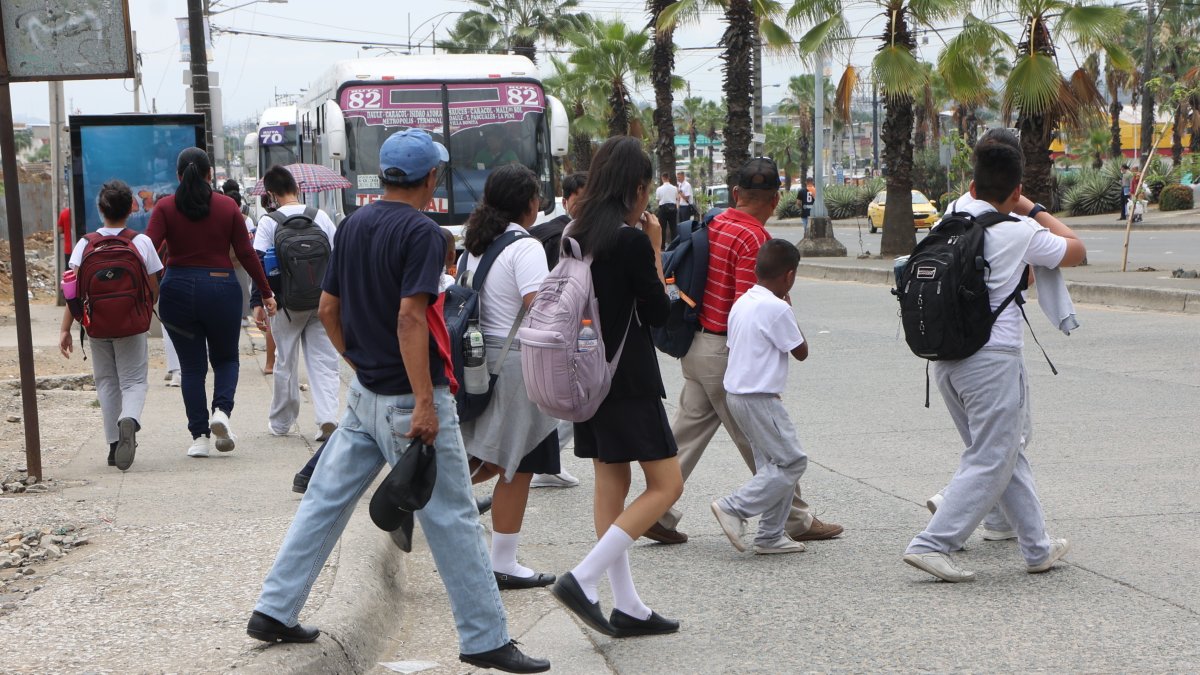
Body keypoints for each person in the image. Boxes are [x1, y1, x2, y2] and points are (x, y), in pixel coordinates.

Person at [248, 129, 548, 673]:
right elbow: (412, 318)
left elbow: (329, 309)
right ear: (432, 178)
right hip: (412, 396)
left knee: (324, 500)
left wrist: (360, 364)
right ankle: (484, 638)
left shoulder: (354, 224)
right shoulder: (424, 233)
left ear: (385, 175)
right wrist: (423, 402)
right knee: (453, 517)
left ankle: (274, 608)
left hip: (366, 394)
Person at [902, 140, 1085, 583]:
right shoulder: (1019, 230)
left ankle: (1037, 547)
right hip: (992, 358)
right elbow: (1075, 249)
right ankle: (932, 542)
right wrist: (1033, 207)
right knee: (993, 456)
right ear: (1017, 189)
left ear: (970, 183)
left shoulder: (950, 218)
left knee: (1004, 454)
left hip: (945, 358)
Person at [649, 158, 842, 545]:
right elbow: (749, 305)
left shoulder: (714, 222)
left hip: (695, 345)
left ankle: (656, 510)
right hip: (725, 350)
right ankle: (795, 519)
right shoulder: (756, 240)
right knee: (764, 443)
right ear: (775, 201)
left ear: (736, 193)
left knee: (686, 433)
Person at [550, 136, 683, 639]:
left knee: (612, 483)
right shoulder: (628, 241)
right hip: (626, 377)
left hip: (587, 376)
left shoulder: (573, 232)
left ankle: (627, 604)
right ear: (637, 187)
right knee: (667, 484)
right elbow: (657, 313)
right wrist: (654, 249)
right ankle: (583, 580)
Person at [458, 164, 560, 590]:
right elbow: (540, 306)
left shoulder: (475, 246)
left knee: (492, 456)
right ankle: (503, 562)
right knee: (518, 463)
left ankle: (422, 494)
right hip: (515, 362)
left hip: (476, 358)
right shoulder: (525, 246)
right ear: (531, 203)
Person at [147, 147, 277, 458]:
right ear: (209, 175)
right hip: (221, 287)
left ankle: (199, 438)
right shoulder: (227, 206)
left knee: (191, 368)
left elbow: (148, 249)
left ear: (179, 175)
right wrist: (266, 291)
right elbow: (246, 253)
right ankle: (221, 411)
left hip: (177, 289)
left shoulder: (164, 208)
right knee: (227, 359)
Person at [711, 239, 810, 555]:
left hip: (737, 395)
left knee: (773, 465)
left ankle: (770, 535)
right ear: (789, 276)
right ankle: (733, 507)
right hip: (759, 397)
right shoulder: (777, 307)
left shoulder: (743, 302)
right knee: (793, 462)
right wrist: (790, 310)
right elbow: (801, 351)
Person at [58, 181, 162, 471]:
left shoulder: (85, 244)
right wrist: (139, 311)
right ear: (131, 207)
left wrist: (65, 329)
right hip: (131, 322)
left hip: (96, 324)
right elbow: (153, 286)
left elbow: (72, 291)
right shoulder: (141, 242)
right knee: (134, 381)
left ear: (101, 209)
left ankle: (114, 445)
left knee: (106, 381)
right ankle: (129, 418)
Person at [251, 166, 341, 442]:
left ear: (271, 195)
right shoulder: (321, 217)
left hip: (285, 304)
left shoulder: (269, 221)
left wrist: (258, 301)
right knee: (325, 360)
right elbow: (339, 257)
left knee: (285, 362)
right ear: (297, 188)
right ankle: (328, 418)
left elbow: (258, 263)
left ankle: (281, 423)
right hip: (321, 300)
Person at [527, 171, 588, 488]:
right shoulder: (557, 235)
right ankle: (544, 463)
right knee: (573, 398)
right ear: (566, 201)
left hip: (560, 329)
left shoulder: (577, 232)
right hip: (559, 329)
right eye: (580, 199)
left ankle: (548, 462)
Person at [529, 171, 587, 269]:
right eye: (580, 202)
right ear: (565, 203)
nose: (587, 207)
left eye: (592, 201)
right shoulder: (557, 238)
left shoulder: (609, 234)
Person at [258, 194, 278, 375]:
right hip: (305, 282)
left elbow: (258, 259)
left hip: (274, 280)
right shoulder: (309, 215)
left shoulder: (266, 221)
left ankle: (270, 363)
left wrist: (258, 298)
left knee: (273, 323)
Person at [654, 172, 679, 248]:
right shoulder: (675, 188)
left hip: (663, 209)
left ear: (662, 178)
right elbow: (677, 198)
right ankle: (674, 246)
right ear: (669, 178)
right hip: (673, 208)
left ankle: (662, 247)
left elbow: (658, 200)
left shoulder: (659, 189)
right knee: (673, 228)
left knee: (662, 228)